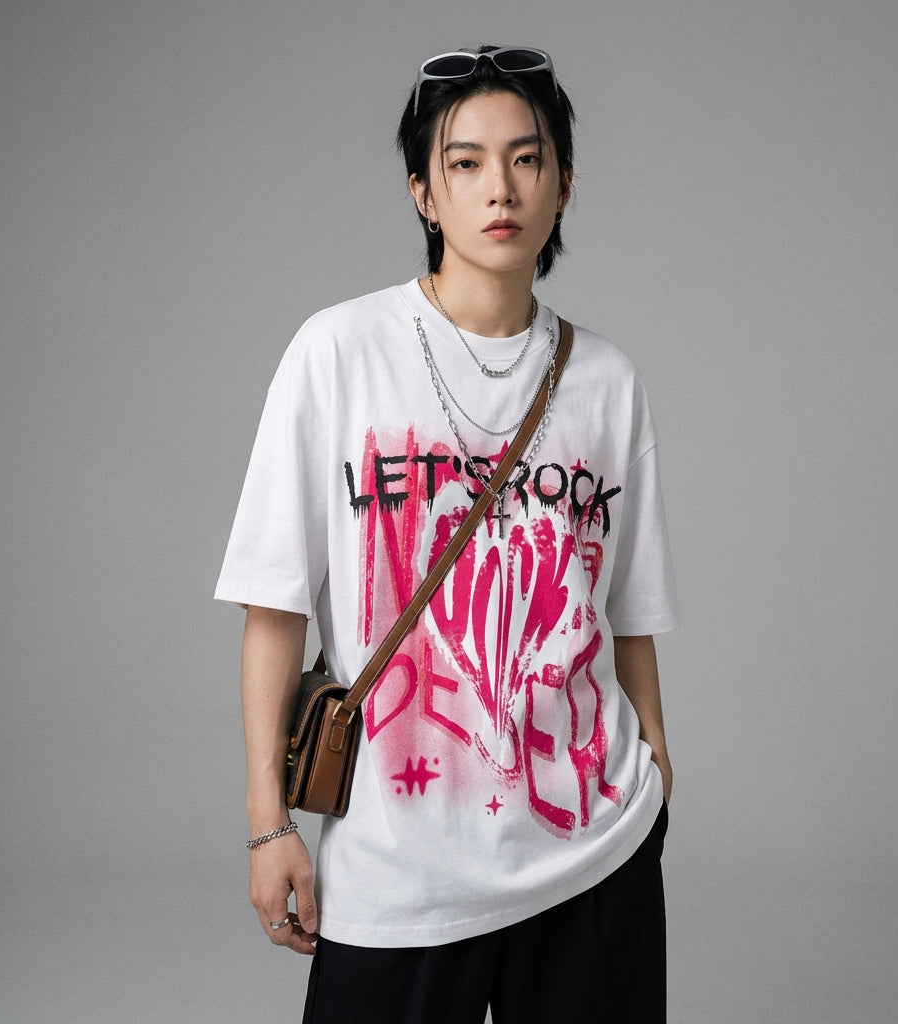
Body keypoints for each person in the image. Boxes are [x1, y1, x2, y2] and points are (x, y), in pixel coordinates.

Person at [216, 45, 679, 1023]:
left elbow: (627, 611)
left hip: (594, 853)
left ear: (562, 184)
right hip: (398, 877)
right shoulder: (338, 353)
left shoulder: (608, 380)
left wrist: (658, 771)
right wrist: (268, 824)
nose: (499, 187)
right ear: (423, 193)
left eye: (526, 157)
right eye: (465, 163)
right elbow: (274, 607)